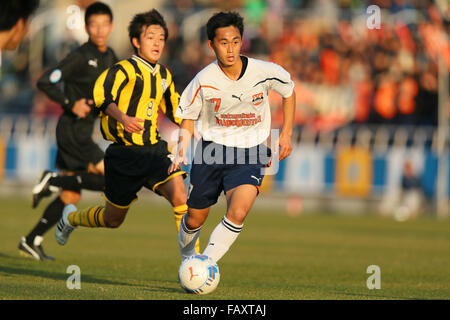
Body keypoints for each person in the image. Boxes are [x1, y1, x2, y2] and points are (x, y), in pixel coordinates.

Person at [54, 9, 200, 255]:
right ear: (136, 41)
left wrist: (191, 139)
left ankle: (192, 260)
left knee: (181, 197)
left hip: (153, 151)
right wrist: (123, 117)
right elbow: (102, 98)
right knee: (113, 220)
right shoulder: (122, 70)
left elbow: (180, 113)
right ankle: (70, 219)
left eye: (161, 38)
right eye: (151, 37)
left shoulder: (164, 75)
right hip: (123, 155)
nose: (157, 43)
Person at [169, 11, 295, 263]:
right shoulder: (203, 80)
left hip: (251, 150)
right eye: (223, 42)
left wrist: (287, 133)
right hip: (211, 150)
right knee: (195, 218)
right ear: (211, 44)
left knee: (238, 211)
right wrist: (182, 148)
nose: (230, 49)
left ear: (242, 41)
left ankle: (204, 264)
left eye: (235, 41)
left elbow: (288, 90)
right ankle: (187, 257)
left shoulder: (264, 71)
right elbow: (188, 118)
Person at [19, 2, 117, 260]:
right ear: (86, 27)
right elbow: (44, 81)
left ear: (111, 26)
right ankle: (52, 179)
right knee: (112, 180)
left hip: (83, 131)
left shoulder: (112, 57)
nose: (99, 30)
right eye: (93, 24)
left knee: (71, 194)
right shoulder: (80, 56)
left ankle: (31, 240)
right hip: (73, 131)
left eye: (103, 24)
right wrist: (70, 103)